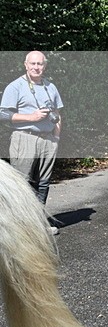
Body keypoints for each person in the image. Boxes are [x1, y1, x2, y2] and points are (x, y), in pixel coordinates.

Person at [0, 51, 64, 234]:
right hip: (25, 137)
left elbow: (58, 114)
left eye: (40, 64)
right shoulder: (15, 86)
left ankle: (39, 224)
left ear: (45, 66)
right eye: (33, 64)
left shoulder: (50, 86)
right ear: (26, 65)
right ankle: (20, 230)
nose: (37, 67)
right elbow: (3, 114)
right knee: (22, 184)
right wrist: (32, 117)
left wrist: (56, 137)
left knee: (43, 183)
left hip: (48, 140)